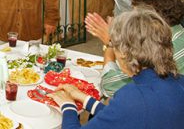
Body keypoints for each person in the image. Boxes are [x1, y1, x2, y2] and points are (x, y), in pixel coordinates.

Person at [50, 8, 184, 129]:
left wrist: (68, 106)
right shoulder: (177, 80)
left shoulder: (133, 96)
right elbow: (122, 116)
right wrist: (84, 98)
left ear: (124, 53)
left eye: (114, 46)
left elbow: (128, 109)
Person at [86, 0, 184, 97]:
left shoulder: (164, 48)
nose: (132, 20)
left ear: (152, 18)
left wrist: (112, 43)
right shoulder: (176, 37)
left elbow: (110, 85)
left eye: (136, 16)